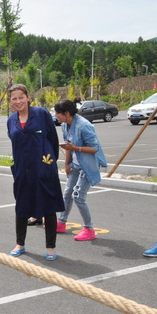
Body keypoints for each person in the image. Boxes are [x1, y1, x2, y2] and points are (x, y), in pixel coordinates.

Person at [7, 84, 64, 260]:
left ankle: (50, 248)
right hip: (22, 170)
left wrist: (48, 163)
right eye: (14, 98)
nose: (18, 101)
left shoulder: (41, 113)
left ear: (28, 98)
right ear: (10, 101)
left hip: (43, 168)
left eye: (21, 97)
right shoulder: (11, 120)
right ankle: (20, 244)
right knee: (22, 207)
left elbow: (53, 139)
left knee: (48, 207)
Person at [54, 99, 107, 242]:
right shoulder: (65, 125)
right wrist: (67, 164)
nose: (55, 115)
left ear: (66, 113)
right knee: (67, 193)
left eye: (57, 113)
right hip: (75, 165)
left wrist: (75, 148)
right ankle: (61, 222)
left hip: (88, 165)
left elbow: (94, 148)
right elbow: (68, 145)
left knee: (78, 196)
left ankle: (89, 229)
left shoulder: (84, 126)